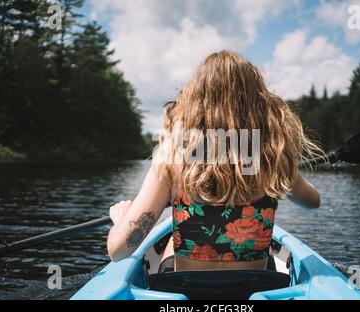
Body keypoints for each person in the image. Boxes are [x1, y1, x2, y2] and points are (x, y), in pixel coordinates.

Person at [107, 50, 322, 272]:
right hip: (254, 287)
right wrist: (287, 172)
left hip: (186, 290)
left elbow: (118, 250)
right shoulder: (272, 156)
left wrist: (122, 219)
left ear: (194, 102)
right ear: (258, 102)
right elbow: (313, 201)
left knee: (173, 238)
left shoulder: (171, 156)